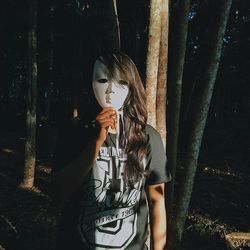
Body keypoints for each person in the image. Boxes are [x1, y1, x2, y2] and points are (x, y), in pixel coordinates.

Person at [52, 52, 171, 250]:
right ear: (90, 83)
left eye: (120, 81)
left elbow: (157, 202)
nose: (110, 90)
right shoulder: (74, 131)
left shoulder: (148, 137)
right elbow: (59, 191)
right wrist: (97, 141)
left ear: (132, 86)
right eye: (102, 79)